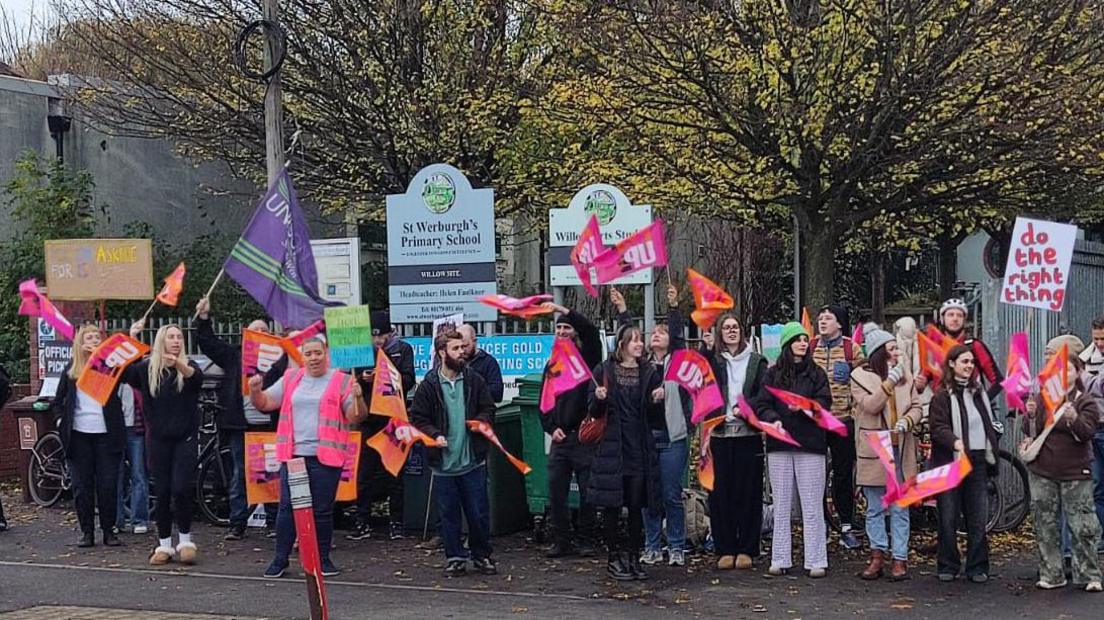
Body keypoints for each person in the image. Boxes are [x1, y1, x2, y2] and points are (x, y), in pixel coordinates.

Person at [251, 336, 368, 578]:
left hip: (326, 457)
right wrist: (254, 391)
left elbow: (356, 417)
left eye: (318, 353)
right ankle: (280, 559)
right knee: (287, 509)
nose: (314, 358)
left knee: (322, 511)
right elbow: (264, 403)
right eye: (309, 353)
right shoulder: (291, 378)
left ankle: (321, 560)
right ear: (302, 356)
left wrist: (358, 397)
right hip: (293, 455)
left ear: (327, 353)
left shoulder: (343, 380)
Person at [613, 283, 694, 567]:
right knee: (648, 495)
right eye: (652, 334)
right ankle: (651, 545)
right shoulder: (642, 364)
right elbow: (625, 340)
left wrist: (673, 307)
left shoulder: (679, 361)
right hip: (647, 438)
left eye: (661, 333)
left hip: (672, 437)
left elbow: (679, 336)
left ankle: (676, 546)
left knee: (671, 494)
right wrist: (623, 310)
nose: (654, 336)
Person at [409, 330, 498, 577]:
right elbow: (418, 418)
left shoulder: (473, 380)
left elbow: (488, 407)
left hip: (472, 461)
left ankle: (482, 555)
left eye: (463, 347)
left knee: (479, 513)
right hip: (444, 464)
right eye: (456, 349)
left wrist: (480, 421)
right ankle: (455, 556)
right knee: (448, 515)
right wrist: (433, 434)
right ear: (442, 352)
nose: (462, 352)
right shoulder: (428, 385)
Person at [195, 297, 285, 541]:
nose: (259, 335)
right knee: (240, 475)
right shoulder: (235, 355)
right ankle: (237, 523)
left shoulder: (279, 359)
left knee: (271, 474)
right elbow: (209, 343)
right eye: (255, 331)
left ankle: (274, 522)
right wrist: (203, 318)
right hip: (240, 427)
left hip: (269, 425)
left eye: (264, 331)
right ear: (246, 336)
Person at [587, 324, 666, 581]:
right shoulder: (605, 370)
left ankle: (633, 556)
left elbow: (655, 419)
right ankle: (613, 557)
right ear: (621, 344)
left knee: (636, 505)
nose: (639, 344)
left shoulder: (648, 372)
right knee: (612, 505)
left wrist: (657, 400)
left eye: (640, 340)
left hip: (639, 447)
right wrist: (598, 398)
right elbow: (594, 412)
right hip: (612, 447)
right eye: (633, 340)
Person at [123, 321, 205, 565]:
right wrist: (132, 338)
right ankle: (164, 545)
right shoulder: (147, 369)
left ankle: (186, 540)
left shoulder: (189, 366)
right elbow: (125, 371)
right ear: (161, 341)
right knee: (162, 491)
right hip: (158, 438)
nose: (176, 340)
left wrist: (177, 362)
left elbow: (195, 378)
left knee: (181, 489)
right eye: (171, 336)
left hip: (185, 437)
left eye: (179, 336)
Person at [756, 322, 832, 578]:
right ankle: (780, 557)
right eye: (797, 339)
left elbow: (825, 404)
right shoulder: (773, 374)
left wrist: (806, 407)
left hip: (810, 446)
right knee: (782, 504)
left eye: (804, 339)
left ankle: (816, 559)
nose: (802, 343)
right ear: (787, 344)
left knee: (812, 505)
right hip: (780, 445)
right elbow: (762, 404)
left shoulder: (816, 374)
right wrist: (773, 419)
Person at [1022, 354, 1103, 592]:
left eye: (1068, 370)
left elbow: (1088, 432)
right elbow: (1031, 431)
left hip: (1076, 470)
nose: (1063, 374)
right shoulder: (1043, 397)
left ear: (1078, 372)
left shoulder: (1084, 401)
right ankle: (1051, 573)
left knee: (1082, 525)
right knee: (1045, 523)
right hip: (1043, 469)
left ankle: (1089, 574)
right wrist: (1031, 415)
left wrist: (1074, 418)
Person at [851, 323, 922, 581]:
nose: (897, 353)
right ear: (880, 352)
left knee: (900, 508)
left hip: (900, 448)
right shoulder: (859, 377)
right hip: (875, 450)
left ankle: (900, 558)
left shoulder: (907, 377)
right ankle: (877, 555)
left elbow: (916, 406)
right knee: (875, 507)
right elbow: (870, 405)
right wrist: (889, 383)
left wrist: (908, 421)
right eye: (892, 348)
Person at [928, 344, 1000, 583]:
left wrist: (993, 439)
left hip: (977, 460)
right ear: (951, 364)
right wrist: (955, 442)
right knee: (948, 516)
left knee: (977, 516)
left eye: (971, 362)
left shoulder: (979, 392)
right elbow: (938, 428)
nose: (969, 366)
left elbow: (987, 422)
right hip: (951, 461)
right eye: (964, 362)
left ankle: (977, 566)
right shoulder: (941, 395)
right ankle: (948, 564)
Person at [703, 313, 768, 571]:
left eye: (735, 327)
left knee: (748, 493)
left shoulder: (756, 361)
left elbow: (764, 393)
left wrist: (747, 408)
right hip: (720, 434)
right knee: (720, 495)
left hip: (747, 435)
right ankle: (725, 547)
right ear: (719, 333)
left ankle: (747, 547)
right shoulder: (715, 360)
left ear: (742, 332)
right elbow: (702, 383)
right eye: (726, 328)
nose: (731, 331)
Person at [540, 301, 603, 558]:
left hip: (583, 437)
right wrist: (551, 428)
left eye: (567, 328)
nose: (563, 332)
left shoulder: (586, 358)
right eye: (559, 328)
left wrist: (564, 311)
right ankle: (561, 540)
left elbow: (591, 332)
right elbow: (543, 403)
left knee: (588, 492)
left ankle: (587, 539)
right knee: (556, 491)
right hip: (560, 439)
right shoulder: (552, 365)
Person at [54, 324, 126, 548]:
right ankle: (87, 531)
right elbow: (57, 401)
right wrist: (60, 420)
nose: (93, 340)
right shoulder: (71, 370)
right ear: (79, 343)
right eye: (89, 337)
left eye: (97, 337)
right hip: (79, 435)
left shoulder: (109, 367)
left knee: (107, 484)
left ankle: (109, 530)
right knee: (82, 486)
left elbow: (129, 372)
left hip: (105, 434)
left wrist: (102, 357)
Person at [348, 310, 416, 542]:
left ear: (391, 333)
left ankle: (396, 523)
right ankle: (362, 520)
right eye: (373, 336)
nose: (377, 340)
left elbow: (408, 380)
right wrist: (362, 380)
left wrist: (383, 376)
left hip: (394, 419)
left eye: (382, 336)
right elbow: (350, 379)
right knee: (364, 473)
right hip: (369, 420)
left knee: (394, 473)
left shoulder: (403, 350)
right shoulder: (361, 352)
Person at [811, 304, 865, 549]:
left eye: (828, 318)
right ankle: (818, 525)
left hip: (843, 421)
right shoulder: (811, 346)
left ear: (840, 324)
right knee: (814, 475)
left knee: (843, 474)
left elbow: (864, 382)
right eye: (820, 318)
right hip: (816, 422)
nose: (822, 322)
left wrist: (854, 414)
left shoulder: (851, 349)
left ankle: (845, 526)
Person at [920, 299, 1004, 401]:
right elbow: (924, 379)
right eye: (950, 315)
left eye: (959, 315)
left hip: (970, 411)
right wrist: (919, 384)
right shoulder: (934, 347)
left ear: (964, 320)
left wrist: (982, 402)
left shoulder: (975, 346)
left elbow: (998, 381)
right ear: (942, 319)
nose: (955, 319)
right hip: (942, 408)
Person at [1080, 316, 1104, 549]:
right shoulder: (1086, 359)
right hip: (1094, 427)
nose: (1099, 343)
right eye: (1096, 338)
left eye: (1103, 339)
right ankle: (1099, 536)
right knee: (1095, 484)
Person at [114, 384, 149, 535]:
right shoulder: (114, 372)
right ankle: (116, 520)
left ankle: (139, 519)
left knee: (139, 475)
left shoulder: (138, 373)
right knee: (116, 476)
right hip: (117, 428)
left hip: (135, 428)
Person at [458, 324, 504, 403]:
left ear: (475, 341)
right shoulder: (455, 361)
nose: (462, 350)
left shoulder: (489, 362)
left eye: (465, 346)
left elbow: (497, 394)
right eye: (458, 347)